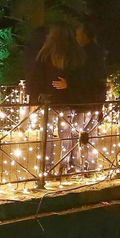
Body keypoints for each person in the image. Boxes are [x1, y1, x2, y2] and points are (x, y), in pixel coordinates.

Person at [36, 22, 82, 175]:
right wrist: (70, 84)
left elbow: (39, 77)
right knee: (66, 134)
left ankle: (47, 168)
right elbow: (81, 74)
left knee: (48, 134)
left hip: (49, 99)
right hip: (66, 98)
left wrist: (40, 93)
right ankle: (65, 167)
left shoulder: (45, 54)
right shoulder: (75, 54)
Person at [69, 24, 108, 172]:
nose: (76, 36)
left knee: (76, 133)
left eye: (78, 34)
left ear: (85, 36)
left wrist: (70, 83)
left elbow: (83, 77)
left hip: (83, 99)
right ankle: (92, 166)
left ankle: (77, 166)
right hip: (96, 99)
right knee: (92, 134)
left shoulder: (84, 54)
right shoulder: (98, 54)